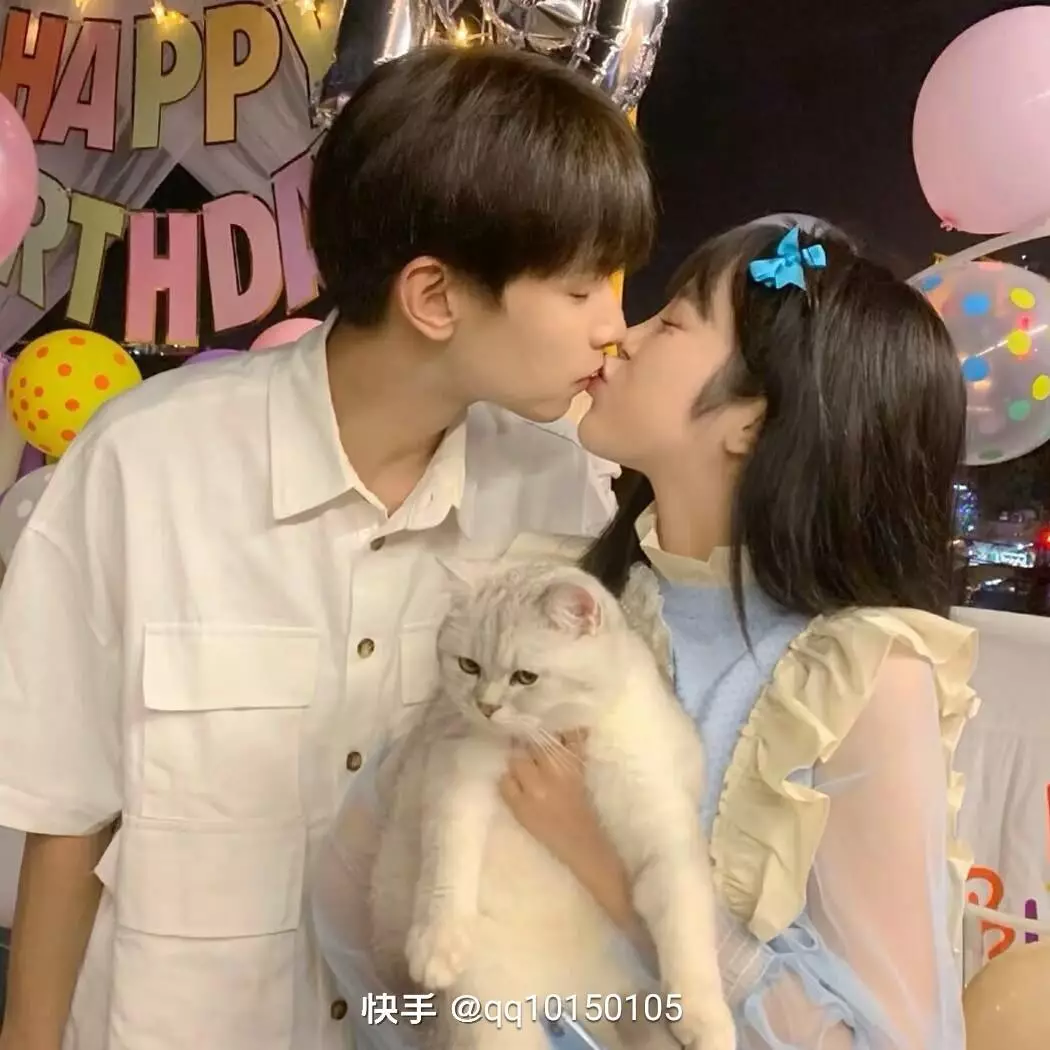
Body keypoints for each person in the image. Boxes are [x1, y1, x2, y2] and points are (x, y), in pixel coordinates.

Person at [0, 43, 653, 1050]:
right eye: (580, 290)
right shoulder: (148, 465)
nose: (615, 328)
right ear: (434, 297)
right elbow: (66, 816)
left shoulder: (558, 487)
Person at [500, 219, 979, 1048]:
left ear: (751, 422)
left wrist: (623, 870)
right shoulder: (571, 594)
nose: (622, 335)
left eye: (672, 321)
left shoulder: (851, 676)